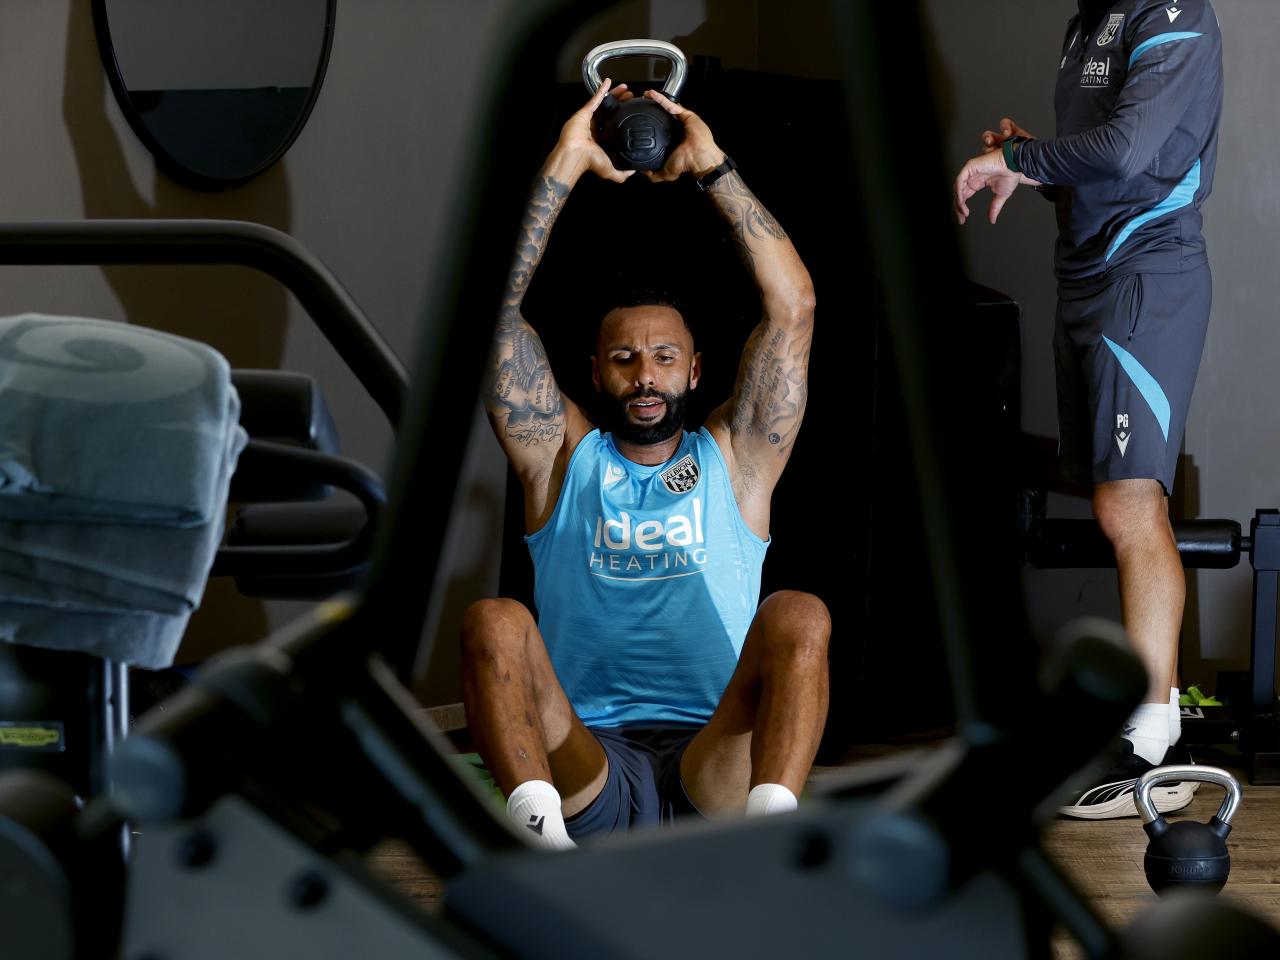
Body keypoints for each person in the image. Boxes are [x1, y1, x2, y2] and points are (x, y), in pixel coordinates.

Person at [461, 79, 829, 849]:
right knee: (494, 619)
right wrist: (565, 160)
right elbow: (488, 312)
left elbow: (793, 307)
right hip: (587, 760)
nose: (646, 375)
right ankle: (544, 847)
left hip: (712, 762)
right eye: (625, 359)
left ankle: (766, 849)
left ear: (696, 372)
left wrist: (713, 166)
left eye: (664, 357)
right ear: (596, 373)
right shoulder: (561, 458)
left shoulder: (737, 460)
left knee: (799, 615)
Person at [953, 1, 1223, 818]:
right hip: (1088, 274)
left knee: (1131, 499)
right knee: (1113, 497)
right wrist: (1031, 165)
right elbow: (1105, 162)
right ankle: (1138, 727)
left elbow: (1131, 149)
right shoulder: (1087, 21)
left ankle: (1155, 743)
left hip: (1148, 274)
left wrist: (1028, 158)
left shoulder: (1176, 11)